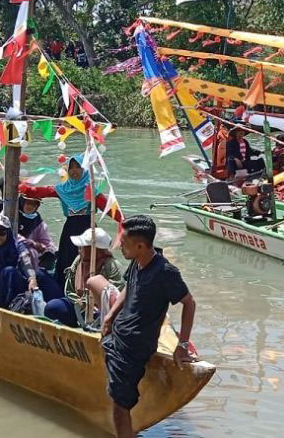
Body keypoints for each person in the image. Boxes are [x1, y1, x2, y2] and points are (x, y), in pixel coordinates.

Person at [101, 215, 196, 437]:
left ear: (141, 246)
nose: (120, 246)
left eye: (124, 243)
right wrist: (110, 316)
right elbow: (128, 286)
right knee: (117, 400)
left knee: (120, 408)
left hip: (134, 347)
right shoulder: (137, 261)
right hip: (118, 338)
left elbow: (189, 303)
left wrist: (182, 345)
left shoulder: (165, 272)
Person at [20, 154, 123, 288]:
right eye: (71, 167)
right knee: (66, 261)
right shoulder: (63, 189)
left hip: (88, 231)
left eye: (78, 167)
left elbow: (111, 210)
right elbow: (40, 192)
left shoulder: (91, 190)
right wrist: (23, 187)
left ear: (84, 169)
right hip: (69, 231)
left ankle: (87, 290)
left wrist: (123, 224)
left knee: (89, 262)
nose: (74, 170)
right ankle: (65, 289)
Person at [0, 214, 62, 309]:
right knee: (8, 271)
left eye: (2, 232)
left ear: (8, 233)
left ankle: (59, 305)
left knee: (40, 274)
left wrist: (32, 279)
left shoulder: (17, 245)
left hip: (17, 289)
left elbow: (26, 263)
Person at [44, 227, 124, 327]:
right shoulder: (79, 260)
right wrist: (79, 302)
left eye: (83, 247)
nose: (79, 250)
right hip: (78, 305)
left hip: (100, 309)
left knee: (101, 317)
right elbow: (69, 289)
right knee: (53, 307)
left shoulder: (111, 265)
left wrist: (94, 304)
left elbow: (116, 293)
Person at [18, 196, 56, 270]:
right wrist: (32, 243)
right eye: (28, 203)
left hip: (34, 257)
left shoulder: (37, 220)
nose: (30, 206)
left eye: (34, 204)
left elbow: (46, 240)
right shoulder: (12, 215)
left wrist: (48, 249)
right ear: (22, 202)